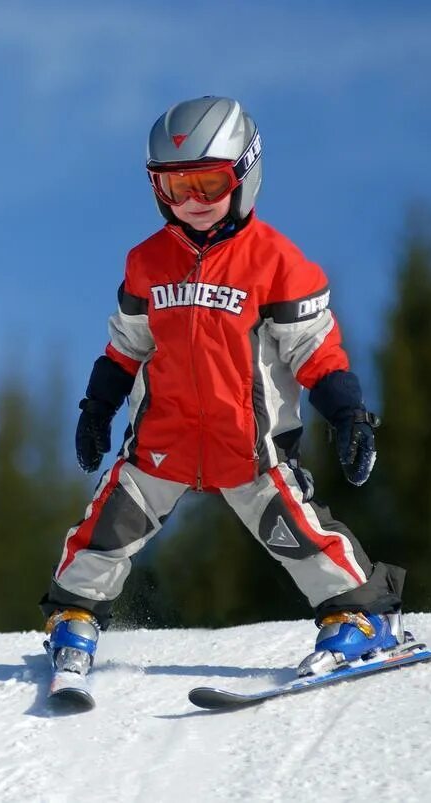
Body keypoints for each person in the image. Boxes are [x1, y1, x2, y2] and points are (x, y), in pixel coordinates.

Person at [41, 96, 407, 682]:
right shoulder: (146, 263)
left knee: (300, 533)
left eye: (208, 184)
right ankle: (74, 614)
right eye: (173, 187)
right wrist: (97, 407)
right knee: (106, 528)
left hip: (250, 447)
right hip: (163, 439)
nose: (191, 203)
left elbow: (315, 350)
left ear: (245, 173)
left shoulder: (277, 264)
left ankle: (362, 619)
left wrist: (349, 415)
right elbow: (126, 347)